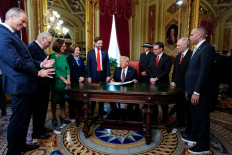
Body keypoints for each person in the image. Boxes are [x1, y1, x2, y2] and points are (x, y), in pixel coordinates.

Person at [0, 7, 55, 155]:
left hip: (26, 85)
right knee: (17, 120)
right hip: (19, 84)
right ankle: (12, 151)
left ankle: (21, 145)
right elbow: (16, 62)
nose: (24, 25)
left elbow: (27, 59)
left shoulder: (12, 34)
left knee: (24, 120)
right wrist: (38, 72)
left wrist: (41, 64)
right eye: (22, 21)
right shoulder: (2, 34)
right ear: (12, 16)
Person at [182, 27, 215, 154]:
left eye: (191, 35)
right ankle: (195, 136)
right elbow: (192, 71)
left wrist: (196, 92)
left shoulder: (207, 48)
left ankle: (203, 144)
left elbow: (204, 72)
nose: (190, 37)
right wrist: (188, 90)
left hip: (201, 92)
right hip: (192, 90)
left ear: (200, 35)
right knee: (194, 116)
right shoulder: (198, 48)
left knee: (202, 117)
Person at [28, 32, 53, 139]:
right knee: (38, 109)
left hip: (43, 85)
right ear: (42, 38)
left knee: (43, 109)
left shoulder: (40, 49)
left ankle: (41, 128)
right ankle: (37, 132)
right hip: (37, 85)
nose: (49, 45)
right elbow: (30, 64)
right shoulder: (32, 47)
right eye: (49, 42)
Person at [170, 38, 192, 132]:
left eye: (179, 45)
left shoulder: (191, 56)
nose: (177, 47)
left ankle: (189, 126)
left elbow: (190, 73)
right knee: (178, 104)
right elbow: (175, 71)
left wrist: (188, 87)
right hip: (177, 86)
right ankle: (180, 121)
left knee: (187, 107)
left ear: (185, 45)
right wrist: (173, 80)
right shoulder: (178, 56)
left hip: (187, 86)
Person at [86, 37, 110, 116]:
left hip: (102, 75)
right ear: (95, 43)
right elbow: (88, 66)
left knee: (101, 94)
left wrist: (108, 75)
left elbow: (107, 65)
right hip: (93, 76)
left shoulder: (105, 52)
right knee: (93, 94)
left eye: (101, 43)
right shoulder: (90, 53)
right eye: (99, 43)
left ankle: (101, 110)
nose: (101, 45)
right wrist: (88, 76)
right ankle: (92, 110)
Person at [149, 41, 172, 124]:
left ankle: (165, 118)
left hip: (163, 83)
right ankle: (154, 117)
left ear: (161, 49)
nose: (154, 51)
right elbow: (150, 68)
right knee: (153, 102)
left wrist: (156, 78)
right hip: (153, 83)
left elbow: (166, 71)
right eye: (153, 49)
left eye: (155, 49)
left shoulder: (167, 58)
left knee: (163, 103)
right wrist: (151, 78)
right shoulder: (152, 57)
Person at [50, 39, 71, 127]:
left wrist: (68, 78)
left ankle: (63, 116)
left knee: (63, 100)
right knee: (54, 100)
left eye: (64, 46)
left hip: (65, 82)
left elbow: (67, 68)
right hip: (57, 81)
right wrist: (64, 79)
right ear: (58, 46)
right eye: (63, 46)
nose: (65, 48)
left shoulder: (63, 56)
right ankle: (54, 117)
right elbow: (54, 70)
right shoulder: (52, 55)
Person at [67, 44, 86, 124]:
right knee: (73, 98)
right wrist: (77, 78)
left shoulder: (81, 59)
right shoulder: (69, 58)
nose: (78, 52)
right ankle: (73, 115)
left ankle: (81, 114)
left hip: (81, 81)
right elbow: (70, 70)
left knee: (80, 98)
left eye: (79, 50)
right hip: (73, 81)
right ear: (73, 50)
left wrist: (83, 77)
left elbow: (84, 69)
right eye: (77, 50)